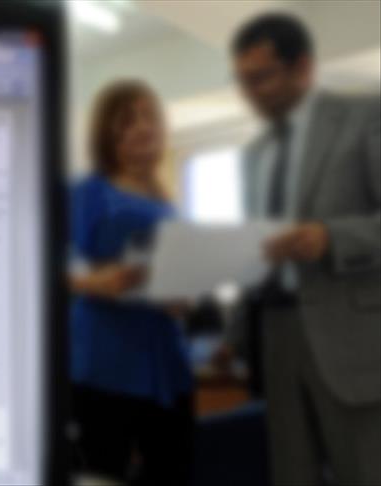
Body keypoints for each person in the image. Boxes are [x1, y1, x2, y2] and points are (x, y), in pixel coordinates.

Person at [215, 13, 381, 486]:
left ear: (303, 67)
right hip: (275, 336)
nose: (250, 93)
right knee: (292, 473)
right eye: (242, 81)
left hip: (350, 338)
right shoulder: (252, 155)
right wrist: (234, 334)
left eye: (261, 77)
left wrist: (331, 237)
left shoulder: (365, 116)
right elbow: (257, 254)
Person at [69, 80, 194, 485]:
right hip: (106, 365)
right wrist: (95, 283)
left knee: (173, 474)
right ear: (107, 133)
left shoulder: (169, 204)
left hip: (168, 366)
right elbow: (44, 265)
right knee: (102, 476)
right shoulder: (90, 192)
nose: (143, 127)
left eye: (150, 117)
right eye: (128, 120)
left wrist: (184, 296)